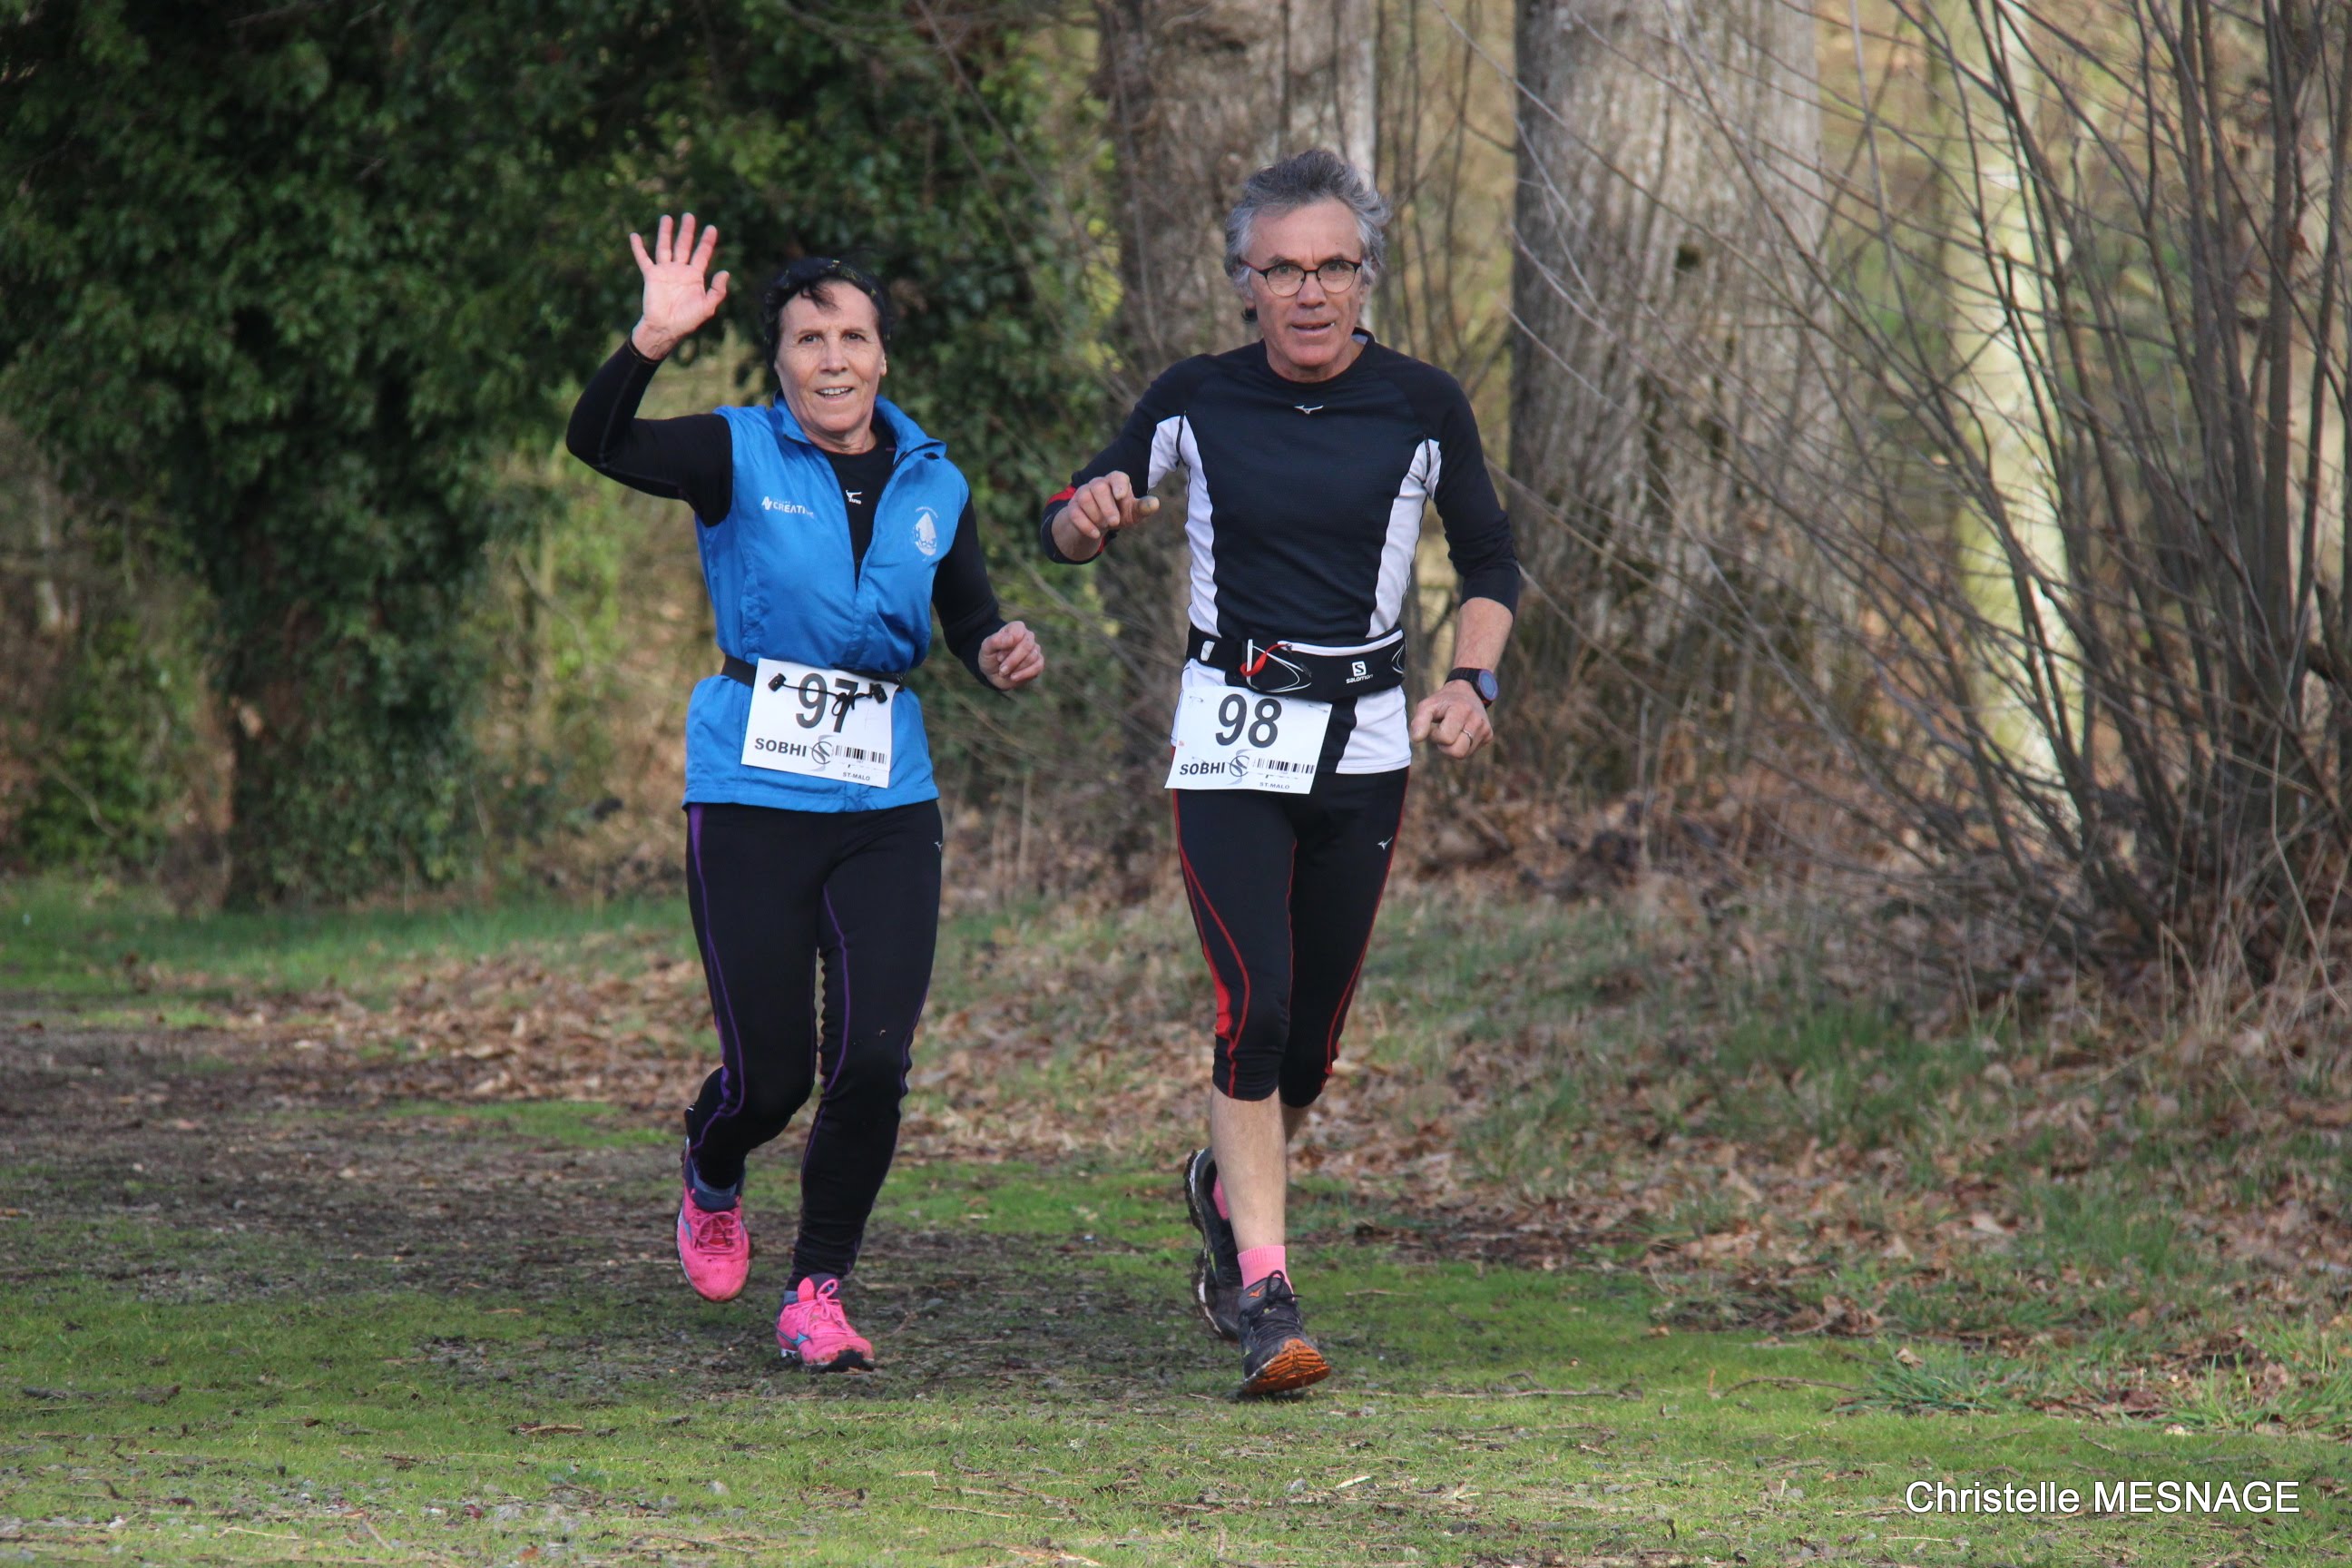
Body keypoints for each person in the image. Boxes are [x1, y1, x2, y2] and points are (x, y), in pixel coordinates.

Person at [1041, 150, 1519, 1396]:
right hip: (1233, 729)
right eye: (1283, 270)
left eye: (1333, 268)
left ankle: (1220, 1183)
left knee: (1305, 1052)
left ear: (1366, 277)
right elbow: (1076, 511)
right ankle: (1263, 1293)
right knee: (1249, 1010)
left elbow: (1490, 561)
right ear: (1243, 282)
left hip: (1365, 737)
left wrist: (1472, 681)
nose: (1310, 292)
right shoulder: (1196, 396)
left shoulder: (1423, 403)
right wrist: (1086, 518)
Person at [568, 213, 1044, 1371]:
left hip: (887, 801)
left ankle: (818, 1289)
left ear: (883, 354)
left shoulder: (936, 482)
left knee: (873, 1060)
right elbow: (598, 440)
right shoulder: (733, 452)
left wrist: (997, 648)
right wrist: (651, 339)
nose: (834, 359)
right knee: (773, 1077)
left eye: (853, 337)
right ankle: (713, 1159)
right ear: (779, 361)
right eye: (808, 339)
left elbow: (969, 616)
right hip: (750, 793)